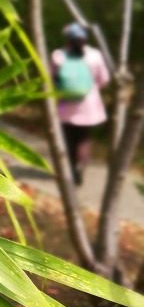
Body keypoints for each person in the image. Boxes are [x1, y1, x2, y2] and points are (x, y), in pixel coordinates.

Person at [51, 23, 110, 186]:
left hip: (65, 104)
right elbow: (104, 79)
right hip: (89, 105)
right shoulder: (95, 55)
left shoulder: (58, 55)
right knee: (84, 138)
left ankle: (69, 169)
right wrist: (91, 88)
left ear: (67, 39)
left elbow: (51, 79)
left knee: (68, 138)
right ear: (84, 39)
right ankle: (79, 168)